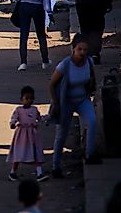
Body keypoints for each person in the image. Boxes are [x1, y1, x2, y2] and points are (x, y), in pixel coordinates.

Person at [49, 34, 98, 178]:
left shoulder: (89, 62)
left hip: (82, 100)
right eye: (79, 49)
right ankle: (55, 166)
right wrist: (56, 103)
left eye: (85, 50)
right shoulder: (65, 65)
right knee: (61, 134)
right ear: (73, 49)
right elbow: (51, 84)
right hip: (66, 102)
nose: (82, 53)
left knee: (92, 121)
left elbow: (92, 78)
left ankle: (89, 155)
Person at [8, 86, 49, 182]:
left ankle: (39, 173)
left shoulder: (34, 110)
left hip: (32, 135)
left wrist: (48, 117)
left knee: (36, 153)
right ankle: (13, 172)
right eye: (27, 98)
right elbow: (14, 118)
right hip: (21, 134)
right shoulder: (18, 110)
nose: (29, 100)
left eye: (31, 98)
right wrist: (13, 124)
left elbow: (39, 118)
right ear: (21, 99)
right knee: (18, 153)